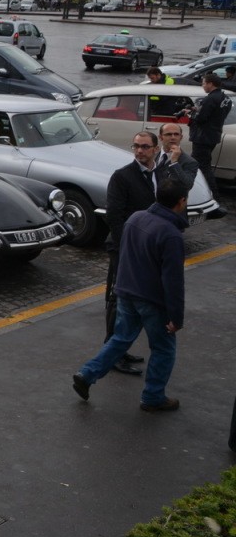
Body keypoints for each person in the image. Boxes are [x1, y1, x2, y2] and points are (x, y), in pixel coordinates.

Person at [72, 179, 188, 413]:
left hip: (126, 291)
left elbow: (125, 254)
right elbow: (173, 281)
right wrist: (177, 318)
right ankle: (153, 396)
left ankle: (87, 374)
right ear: (182, 201)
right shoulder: (171, 235)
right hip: (153, 301)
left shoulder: (135, 218)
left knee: (120, 338)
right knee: (163, 349)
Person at [102, 130, 163, 375]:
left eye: (145, 147)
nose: (140, 151)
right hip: (124, 248)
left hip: (147, 249)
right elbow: (114, 217)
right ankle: (112, 352)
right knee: (117, 300)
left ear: (155, 149)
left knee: (132, 301)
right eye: (136, 146)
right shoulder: (122, 177)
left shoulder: (159, 174)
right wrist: (128, 247)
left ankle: (121, 347)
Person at [183, 72, 229, 198]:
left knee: (201, 166)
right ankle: (199, 190)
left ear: (210, 84)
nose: (202, 86)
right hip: (214, 135)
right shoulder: (226, 98)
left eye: (203, 83)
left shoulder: (210, 98)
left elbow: (201, 119)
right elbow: (215, 115)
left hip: (202, 137)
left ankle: (213, 194)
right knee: (201, 164)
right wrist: (197, 110)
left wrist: (190, 114)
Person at [156, 123, 198, 191]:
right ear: (160, 137)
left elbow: (187, 185)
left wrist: (174, 163)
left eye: (176, 134)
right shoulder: (153, 155)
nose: (173, 137)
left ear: (181, 137)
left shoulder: (190, 162)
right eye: (168, 134)